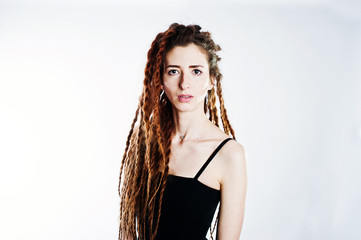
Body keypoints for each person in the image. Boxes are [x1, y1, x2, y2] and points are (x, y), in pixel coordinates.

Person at [118, 23, 247, 240]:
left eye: (196, 71)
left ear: (212, 79)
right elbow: (128, 230)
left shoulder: (229, 155)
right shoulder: (145, 142)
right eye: (173, 71)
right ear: (161, 79)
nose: (184, 83)